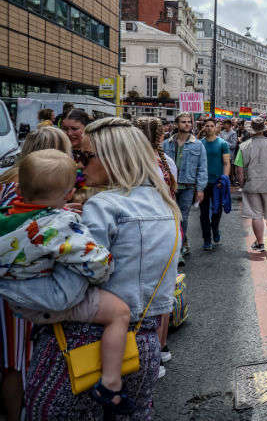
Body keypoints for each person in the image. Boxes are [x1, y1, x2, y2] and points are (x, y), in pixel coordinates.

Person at [2, 117, 180, 420]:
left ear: (112, 158)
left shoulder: (104, 207)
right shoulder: (164, 205)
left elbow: (63, 296)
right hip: (144, 342)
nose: (79, 165)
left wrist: (9, 285)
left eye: (85, 156)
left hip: (83, 345)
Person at [0, 150, 134, 413]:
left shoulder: (8, 218)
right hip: (55, 298)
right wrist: (105, 270)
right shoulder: (60, 225)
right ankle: (111, 381)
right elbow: (95, 260)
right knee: (119, 312)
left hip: (18, 298)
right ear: (69, 193)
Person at [0, 126, 73, 419]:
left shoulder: (12, 181)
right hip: (18, 288)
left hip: (13, 285)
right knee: (15, 361)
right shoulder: (19, 188)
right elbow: (23, 236)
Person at [133, 116, 176, 376]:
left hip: (145, 233)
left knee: (143, 296)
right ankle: (160, 349)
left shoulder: (130, 164)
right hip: (167, 230)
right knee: (161, 295)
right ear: (161, 137)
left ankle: (151, 354)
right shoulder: (166, 163)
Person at [235, 117, 267, 251]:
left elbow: (239, 169)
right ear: (264, 130)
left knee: (256, 215)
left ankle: (259, 243)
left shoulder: (244, 146)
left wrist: (242, 184)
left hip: (251, 184)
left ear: (251, 131)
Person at [163, 113, 208, 257]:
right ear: (176, 124)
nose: (187, 124)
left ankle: (181, 245)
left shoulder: (198, 144)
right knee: (170, 216)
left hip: (188, 187)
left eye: (189, 122)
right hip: (170, 186)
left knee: (184, 216)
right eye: (183, 122)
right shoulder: (167, 143)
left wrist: (200, 189)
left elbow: (202, 168)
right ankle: (178, 241)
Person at [199, 120, 231, 251]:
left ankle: (215, 229)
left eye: (212, 125)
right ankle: (207, 240)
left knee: (217, 210)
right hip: (203, 183)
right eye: (207, 125)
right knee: (203, 213)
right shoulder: (199, 143)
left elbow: (226, 163)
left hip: (217, 183)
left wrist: (224, 179)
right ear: (204, 127)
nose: (210, 128)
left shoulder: (222, 143)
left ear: (216, 128)